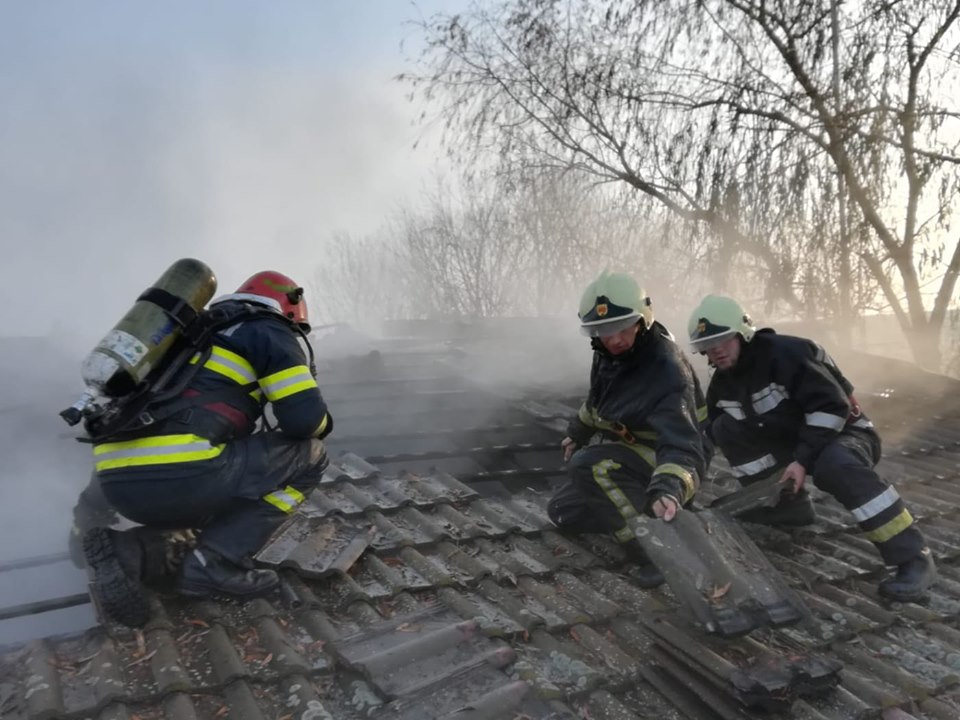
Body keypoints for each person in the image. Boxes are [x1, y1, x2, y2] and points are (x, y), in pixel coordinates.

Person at [82, 270, 333, 626]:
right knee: (312, 456)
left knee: (215, 483)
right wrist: (322, 424)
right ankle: (213, 562)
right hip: (188, 474)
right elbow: (306, 422)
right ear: (290, 309)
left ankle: (134, 551)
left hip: (118, 484)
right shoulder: (266, 328)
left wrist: (83, 520)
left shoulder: (183, 336)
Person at [687, 294, 935, 602]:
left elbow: (833, 408)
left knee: (836, 465)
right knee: (725, 426)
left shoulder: (787, 354)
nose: (716, 350)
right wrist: (684, 483)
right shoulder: (722, 386)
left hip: (842, 434)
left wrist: (802, 461)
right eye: (708, 345)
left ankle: (913, 558)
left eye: (722, 340)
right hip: (792, 444)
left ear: (743, 332)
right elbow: (708, 435)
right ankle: (785, 504)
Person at [548, 271, 710, 587]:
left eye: (622, 327)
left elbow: (683, 443)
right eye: (603, 331)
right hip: (637, 453)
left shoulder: (666, 368)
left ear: (641, 320)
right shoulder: (608, 354)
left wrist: (669, 487)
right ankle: (653, 513)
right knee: (564, 511)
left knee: (592, 466)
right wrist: (578, 432)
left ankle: (655, 551)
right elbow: (599, 402)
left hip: (671, 455)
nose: (614, 340)